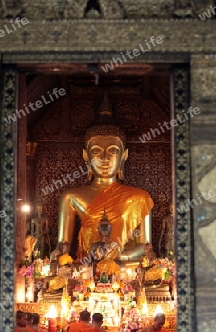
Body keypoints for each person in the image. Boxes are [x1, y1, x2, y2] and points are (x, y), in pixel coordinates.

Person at [56, 100, 154, 261]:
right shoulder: (71, 197)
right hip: (87, 268)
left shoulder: (140, 197)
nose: (104, 158)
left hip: (125, 268)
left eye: (113, 151)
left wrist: (121, 256)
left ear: (124, 155)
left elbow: (146, 245)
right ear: (86, 156)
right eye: (96, 151)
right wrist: (59, 252)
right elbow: (63, 242)